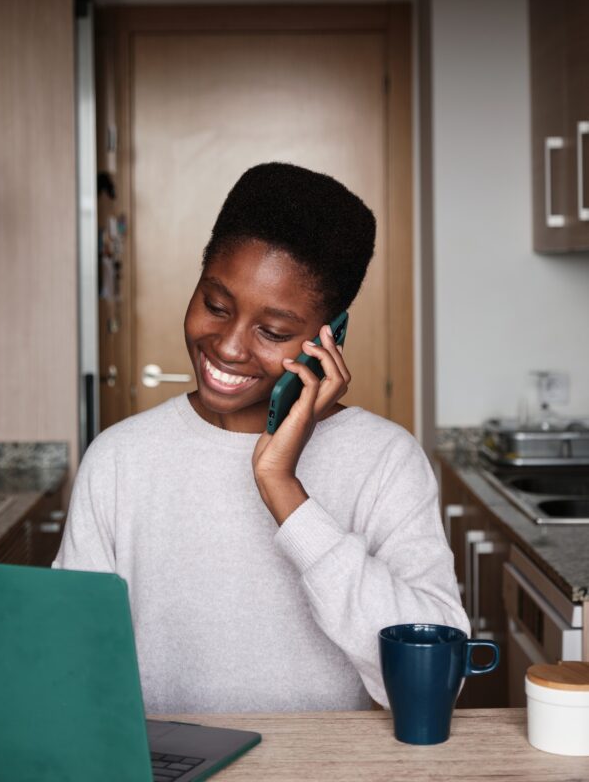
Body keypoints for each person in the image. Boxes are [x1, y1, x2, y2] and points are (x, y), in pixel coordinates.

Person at [54, 162, 468, 713]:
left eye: (272, 332)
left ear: (330, 336)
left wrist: (284, 491)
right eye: (215, 306)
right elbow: (68, 665)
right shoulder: (119, 459)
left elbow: (438, 675)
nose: (227, 347)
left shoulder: (384, 460)